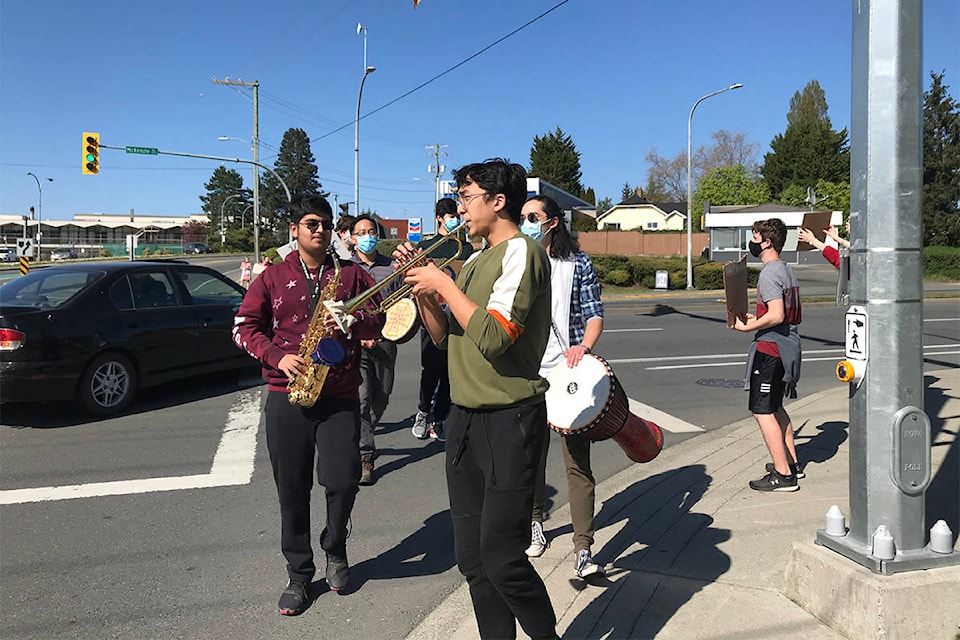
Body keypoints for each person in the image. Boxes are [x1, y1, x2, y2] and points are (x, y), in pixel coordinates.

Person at [395, 159, 559, 640]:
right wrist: (424, 291)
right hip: (464, 418)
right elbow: (447, 337)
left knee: (503, 558)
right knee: (471, 559)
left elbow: (494, 336)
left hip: (510, 418)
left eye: (466, 199)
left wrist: (443, 283)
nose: (460, 210)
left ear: (497, 201)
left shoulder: (521, 253)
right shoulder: (472, 261)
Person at [232, 194, 385, 615]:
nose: (319, 230)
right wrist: (277, 356)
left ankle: (335, 548)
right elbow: (243, 328)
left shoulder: (352, 275)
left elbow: (380, 320)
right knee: (293, 490)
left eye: (325, 224)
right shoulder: (272, 275)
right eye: (311, 223)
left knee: (342, 480)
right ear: (294, 229)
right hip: (288, 394)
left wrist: (355, 321)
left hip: (338, 395)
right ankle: (299, 574)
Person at [520, 195, 606, 579]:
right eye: (522, 217)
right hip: (526, 375)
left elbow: (594, 315)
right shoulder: (515, 261)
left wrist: (583, 347)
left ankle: (583, 546)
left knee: (577, 462)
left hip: (568, 376)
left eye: (532, 217)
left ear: (552, 222)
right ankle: (535, 522)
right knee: (531, 459)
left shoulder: (577, 264)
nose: (525, 223)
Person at [733, 218, 803, 492]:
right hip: (786, 345)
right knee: (776, 408)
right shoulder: (786, 270)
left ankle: (783, 475)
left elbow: (776, 315)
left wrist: (749, 325)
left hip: (772, 351)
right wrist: (757, 317)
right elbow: (781, 315)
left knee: (762, 411)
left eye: (754, 236)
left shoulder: (769, 273)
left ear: (767, 241)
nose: (751, 241)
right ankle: (791, 463)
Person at [411, 197, 474, 442]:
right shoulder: (426, 246)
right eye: (450, 216)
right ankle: (423, 411)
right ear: (439, 218)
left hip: (456, 313)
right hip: (431, 314)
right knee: (430, 367)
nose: (455, 220)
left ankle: (441, 416)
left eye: (456, 216)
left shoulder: (466, 248)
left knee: (450, 370)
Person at [351, 214, 401, 486]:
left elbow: (402, 306)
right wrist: (357, 337)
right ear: (352, 237)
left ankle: (364, 431)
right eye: (361, 232)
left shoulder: (391, 268)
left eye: (372, 231)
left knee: (380, 397)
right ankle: (365, 455)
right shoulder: (345, 268)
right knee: (361, 398)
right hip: (356, 346)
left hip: (385, 343)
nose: (367, 236)